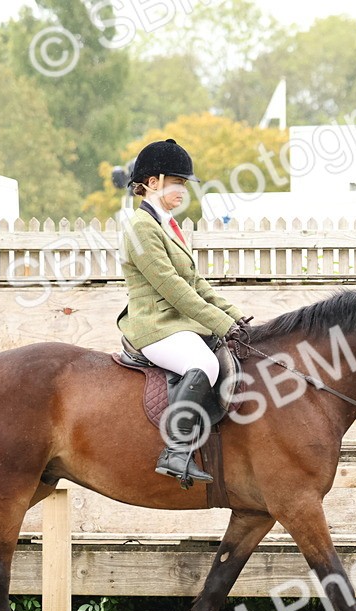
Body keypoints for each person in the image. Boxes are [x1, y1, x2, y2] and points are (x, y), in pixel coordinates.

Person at [116, 139, 250, 486]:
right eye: (177, 182)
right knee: (203, 364)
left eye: (185, 184)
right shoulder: (139, 227)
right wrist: (219, 322)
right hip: (155, 326)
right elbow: (172, 287)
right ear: (153, 182)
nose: (183, 190)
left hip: (178, 323)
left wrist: (235, 317)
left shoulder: (168, 224)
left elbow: (195, 283)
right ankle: (176, 452)